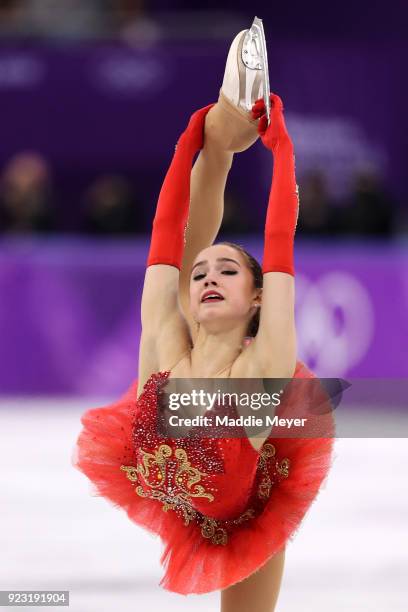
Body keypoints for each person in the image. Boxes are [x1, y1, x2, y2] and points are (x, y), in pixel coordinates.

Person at [73, 19, 335, 611]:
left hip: (246, 509)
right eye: (203, 276)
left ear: (260, 297)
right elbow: (168, 240)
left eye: (228, 272)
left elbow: (279, 239)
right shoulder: (166, 344)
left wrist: (283, 149)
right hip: (183, 474)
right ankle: (223, 129)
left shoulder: (259, 376)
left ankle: (229, 131)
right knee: (185, 245)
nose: (209, 277)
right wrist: (193, 141)